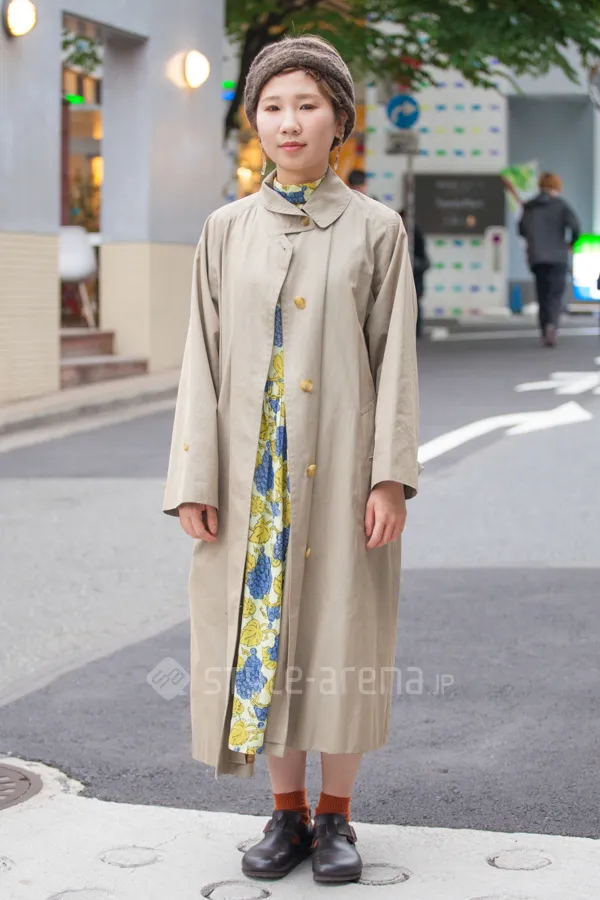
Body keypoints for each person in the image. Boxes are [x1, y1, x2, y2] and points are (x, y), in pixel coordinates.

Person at [163, 34, 420, 885]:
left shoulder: (377, 230)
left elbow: (395, 361)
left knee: (341, 637)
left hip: (342, 468)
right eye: (273, 106)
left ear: (339, 119)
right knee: (260, 641)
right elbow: (199, 359)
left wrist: (389, 477)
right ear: (255, 123)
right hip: (252, 477)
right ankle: (286, 813)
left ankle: (337, 816)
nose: (289, 121)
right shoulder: (224, 230)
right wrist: (194, 478)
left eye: (307, 105)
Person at [518, 172, 580, 347]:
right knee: (555, 294)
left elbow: (522, 229)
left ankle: (545, 327)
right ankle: (552, 323)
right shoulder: (561, 205)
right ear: (557, 186)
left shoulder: (529, 206)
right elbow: (575, 226)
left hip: (537, 256)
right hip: (558, 256)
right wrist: (571, 243)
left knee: (543, 294)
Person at [400, 209, 429, 339]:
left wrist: (415, 265)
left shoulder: (415, 231)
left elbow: (423, 258)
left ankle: (416, 331)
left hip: (415, 276)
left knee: (414, 302)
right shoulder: (397, 230)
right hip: (412, 273)